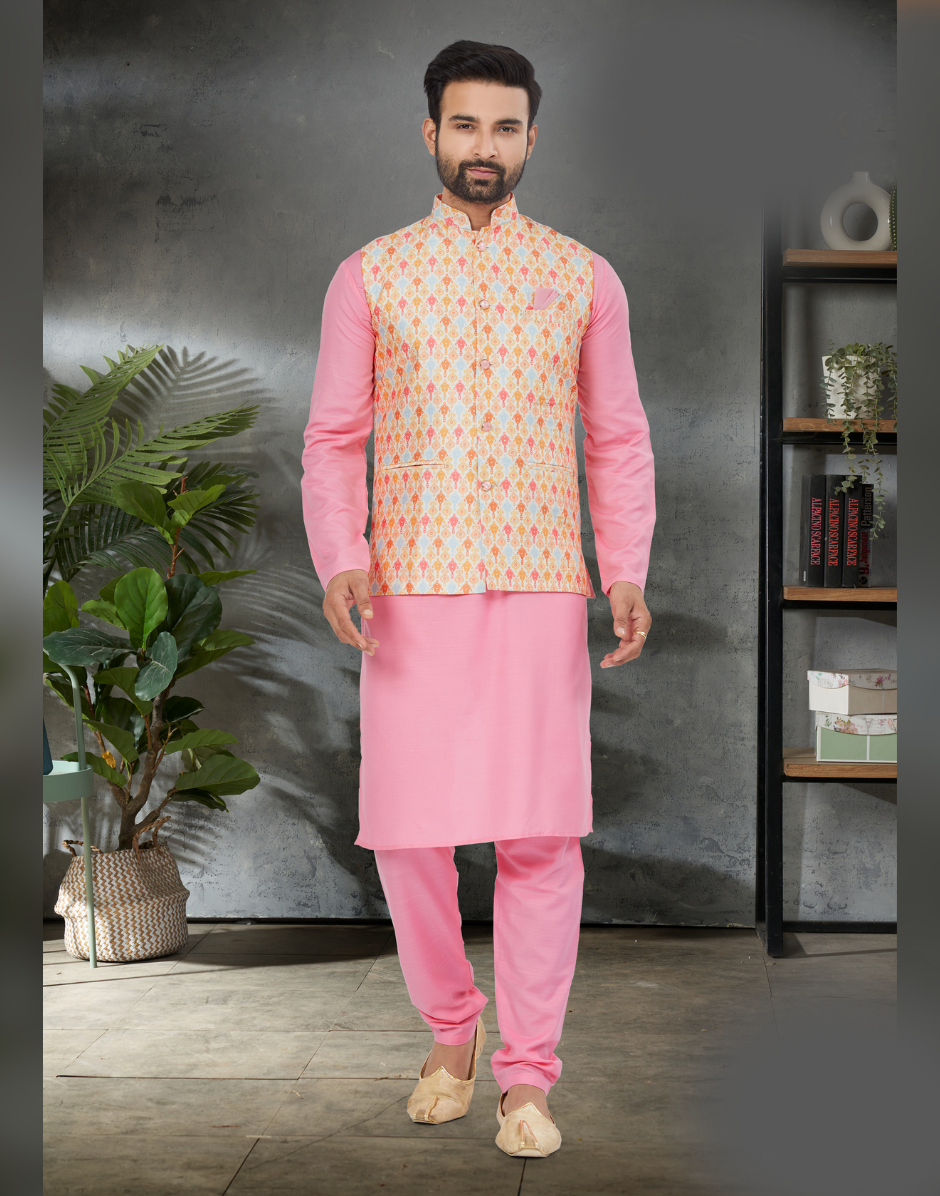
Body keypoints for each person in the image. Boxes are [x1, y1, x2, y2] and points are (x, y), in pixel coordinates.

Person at [301, 39, 655, 1159]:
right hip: (410, 590)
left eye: (505, 127)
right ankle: (451, 1030)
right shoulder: (370, 275)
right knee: (407, 835)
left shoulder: (584, 276)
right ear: (431, 134)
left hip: (543, 584)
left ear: (531, 138)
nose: (484, 147)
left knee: (541, 837)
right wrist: (340, 555)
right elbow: (333, 436)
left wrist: (626, 565)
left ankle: (527, 1077)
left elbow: (618, 436)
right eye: (464, 125)